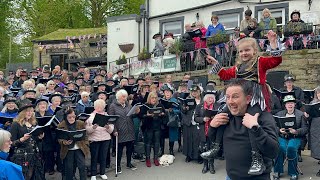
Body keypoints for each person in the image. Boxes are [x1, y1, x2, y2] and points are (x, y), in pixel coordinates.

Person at [204, 31, 283, 175]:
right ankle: (216, 146)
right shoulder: (238, 68)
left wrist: (273, 43)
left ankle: (256, 158)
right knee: (222, 116)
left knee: (251, 123)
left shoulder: (260, 62)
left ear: (254, 50)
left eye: (247, 50)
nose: (244, 53)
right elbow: (225, 74)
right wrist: (216, 64)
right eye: (241, 51)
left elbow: (275, 61)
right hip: (240, 97)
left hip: (254, 99)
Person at [212, 78, 279, 179]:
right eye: (228, 97)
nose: (230, 101)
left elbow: (273, 152)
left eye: (235, 97)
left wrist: (256, 129)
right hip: (230, 177)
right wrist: (213, 127)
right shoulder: (226, 117)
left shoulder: (263, 117)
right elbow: (216, 148)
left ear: (248, 99)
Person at [273, 94, 308, 180]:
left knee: (291, 148)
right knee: (280, 147)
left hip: (295, 137)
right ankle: (277, 171)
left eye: (291, 103)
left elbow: (305, 128)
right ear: (285, 105)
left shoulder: (300, 114)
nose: (290, 105)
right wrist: (279, 130)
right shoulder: (279, 114)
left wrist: (296, 131)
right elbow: (273, 126)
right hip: (283, 136)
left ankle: (293, 172)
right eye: (288, 103)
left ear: (294, 104)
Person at [10, 99, 45, 180]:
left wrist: (39, 138)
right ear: (22, 113)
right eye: (27, 111)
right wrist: (22, 139)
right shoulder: (15, 124)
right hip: (22, 157)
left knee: (37, 176)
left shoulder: (34, 123)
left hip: (35, 155)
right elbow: (11, 143)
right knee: (25, 176)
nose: (30, 113)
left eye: (31, 111)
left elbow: (35, 140)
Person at [108, 89, 138, 173]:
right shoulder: (113, 106)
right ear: (118, 97)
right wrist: (114, 130)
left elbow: (132, 116)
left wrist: (136, 112)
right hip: (120, 130)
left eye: (125, 97)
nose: (125, 98)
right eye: (123, 97)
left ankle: (129, 163)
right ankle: (118, 165)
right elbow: (111, 120)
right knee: (119, 150)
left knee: (130, 148)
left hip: (129, 129)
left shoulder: (128, 105)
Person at [57, 107, 89, 180]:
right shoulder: (61, 125)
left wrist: (86, 143)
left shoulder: (80, 123)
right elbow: (59, 138)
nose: (72, 119)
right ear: (66, 117)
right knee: (69, 168)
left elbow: (85, 135)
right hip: (68, 149)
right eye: (69, 117)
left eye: (73, 117)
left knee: (82, 166)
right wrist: (64, 142)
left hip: (79, 147)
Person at [86, 99, 114, 180]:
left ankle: (102, 172)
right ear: (95, 107)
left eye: (101, 106)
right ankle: (93, 174)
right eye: (98, 106)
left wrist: (108, 127)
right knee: (94, 157)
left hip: (105, 139)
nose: (99, 108)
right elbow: (87, 130)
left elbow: (111, 129)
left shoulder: (107, 115)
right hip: (94, 139)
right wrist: (93, 127)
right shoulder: (90, 116)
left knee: (103, 156)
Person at [194, 86, 220, 174]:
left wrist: (215, 117)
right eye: (209, 97)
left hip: (213, 131)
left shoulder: (217, 106)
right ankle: (205, 165)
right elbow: (195, 118)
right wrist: (203, 119)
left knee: (211, 149)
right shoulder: (199, 106)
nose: (211, 99)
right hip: (203, 131)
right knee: (204, 149)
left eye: (212, 98)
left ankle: (211, 165)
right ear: (205, 98)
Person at [140, 92, 166, 167]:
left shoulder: (160, 105)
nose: (154, 99)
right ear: (149, 98)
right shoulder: (145, 106)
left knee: (157, 142)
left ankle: (155, 158)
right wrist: (147, 115)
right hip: (149, 127)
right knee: (148, 143)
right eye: (152, 98)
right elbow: (141, 115)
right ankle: (148, 158)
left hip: (157, 126)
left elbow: (164, 113)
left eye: (155, 98)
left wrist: (162, 114)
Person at [35, 98, 55, 175]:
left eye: (44, 104)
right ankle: (41, 168)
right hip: (38, 134)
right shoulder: (35, 115)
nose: (42, 105)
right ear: (37, 106)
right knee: (40, 152)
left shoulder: (49, 114)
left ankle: (50, 168)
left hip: (48, 135)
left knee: (49, 152)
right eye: (40, 104)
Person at [160, 83, 180, 156]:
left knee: (172, 136)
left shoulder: (175, 100)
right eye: (166, 92)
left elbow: (179, 111)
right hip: (163, 119)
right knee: (162, 136)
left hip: (172, 120)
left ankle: (171, 150)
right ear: (164, 93)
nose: (167, 93)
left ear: (171, 93)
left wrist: (172, 111)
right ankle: (161, 150)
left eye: (169, 92)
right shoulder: (161, 100)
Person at [304, 86, 320, 177]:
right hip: (315, 127)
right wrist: (306, 115)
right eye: (318, 93)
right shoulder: (313, 103)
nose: (319, 95)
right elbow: (309, 117)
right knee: (317, 147)